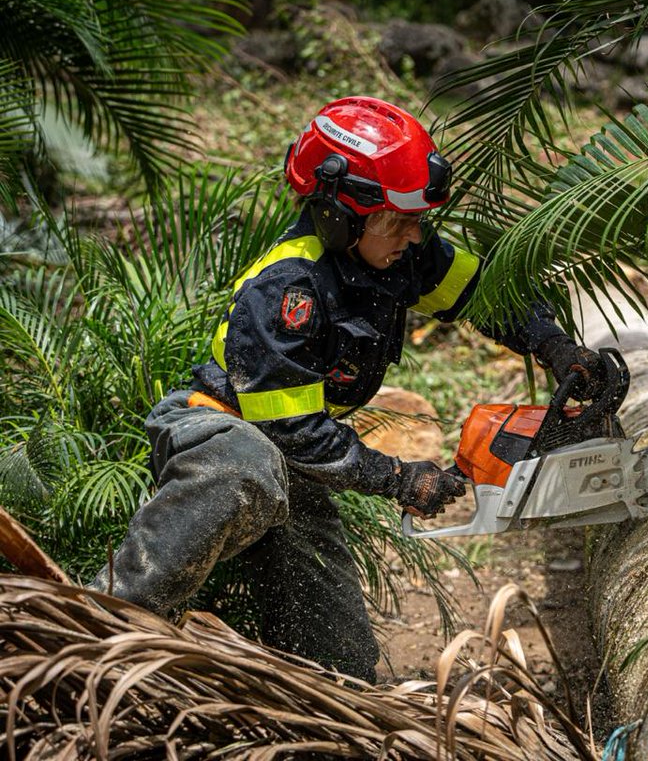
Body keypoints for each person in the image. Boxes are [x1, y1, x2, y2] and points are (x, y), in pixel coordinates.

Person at [90, 96, 606, 682]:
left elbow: (483, 293)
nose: (413, 234)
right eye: (396, 221)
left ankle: (303, 697)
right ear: (339, 212)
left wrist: (553, 345)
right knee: (244, 467)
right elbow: (290, 429)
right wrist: (398, 477)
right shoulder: (288, 287)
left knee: (341, 659)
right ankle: (103, 619)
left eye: (416, 219)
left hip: (288, 460)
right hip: (216, 430)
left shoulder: (398, 255)